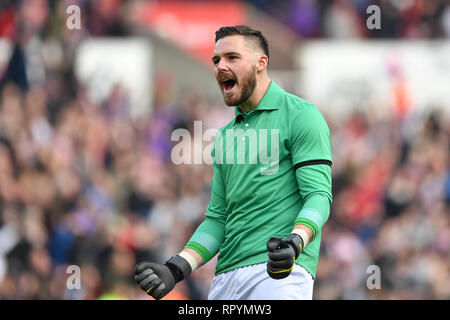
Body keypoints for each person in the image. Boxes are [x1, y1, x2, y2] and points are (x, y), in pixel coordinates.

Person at [134, 25, 332, 300]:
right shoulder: (225, 137)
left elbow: (319, 196)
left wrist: (296, 242)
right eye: (216, 60)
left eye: (232, 57)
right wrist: (176, 268)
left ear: (261, 63)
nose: (220, 66)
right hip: (225, 277)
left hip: (278, 274)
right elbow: (217, 219)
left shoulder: (301, 116)